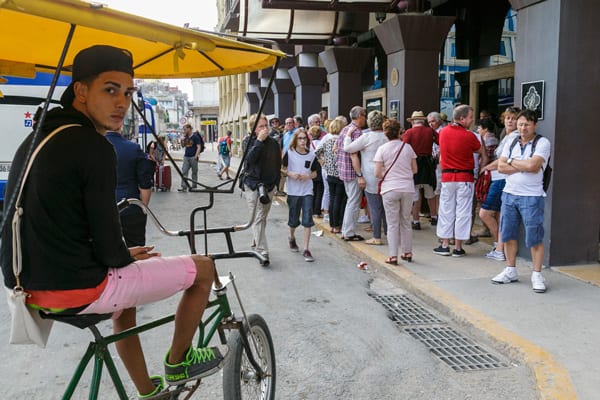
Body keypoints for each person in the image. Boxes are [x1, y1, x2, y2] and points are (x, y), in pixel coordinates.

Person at [0, 45, 220, 399]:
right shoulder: (93, 145)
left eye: (128, 92)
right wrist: (123, 255)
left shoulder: (39, 136)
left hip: (28, 288)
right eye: (110, 89)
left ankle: (148, 391)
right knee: (205, 268)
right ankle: (178, 362)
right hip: (78, 287)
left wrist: (121, 255)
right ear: (81, 91)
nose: (121, 102)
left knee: (127, 292)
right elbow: (107, 241)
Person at [492, 109, 551, 293]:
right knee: (508, 234)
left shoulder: (542, 143)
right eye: (520, 124)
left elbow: (534, 166)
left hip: (532, 197)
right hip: (509, 194)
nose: (523, 128)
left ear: (535, 125)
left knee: (534, 237)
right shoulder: (511, 141)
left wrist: (511, 162)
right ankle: (510, 270)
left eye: (526, 124)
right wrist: (518, 164)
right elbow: (501, 167)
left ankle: (536, 274)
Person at [433, 105, 487, 257]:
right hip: (465, 178)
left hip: (447, 177)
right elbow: (479, 150)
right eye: (470, 117)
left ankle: (444, 244)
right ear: (462, 118)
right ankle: (458, 247)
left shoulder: (442, 133)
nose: (472, 121)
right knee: (463, 212)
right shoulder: (470, 136)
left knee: (445, 210)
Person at [479, 107, 520, 261]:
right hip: (500, 178)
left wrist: (486, 167)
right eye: (508, 117)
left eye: (514, 118)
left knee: (485, 213)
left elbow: (503, 159)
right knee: (500, 215)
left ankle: (499, 246)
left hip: (502, 178)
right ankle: (500, 248)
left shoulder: (514, 137)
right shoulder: (507, 136)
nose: (510, 121)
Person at [374, 119, 417, 264]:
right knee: (405, 221)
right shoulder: (408, 148)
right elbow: (415, 169)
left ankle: (393, 255)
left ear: (385, 133)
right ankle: (407, 252)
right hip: (407, 188)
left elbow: (377, 173)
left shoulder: (382, 149)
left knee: (392, 223)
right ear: (399, 132)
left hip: (390, 188)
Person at [343, 110, 389, 245]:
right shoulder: (388, 136)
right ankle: (388, 232)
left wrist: (348, 135)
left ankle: (377, 236)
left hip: (370, 175)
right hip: (387, 175)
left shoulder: (366, 137)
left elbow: (348, 148)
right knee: (386, 206)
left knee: (374, 207)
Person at [242, 113, 282, 261]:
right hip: (253, 185)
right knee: (258, 216)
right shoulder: (248, 141)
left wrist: (276, 184)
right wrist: (259, 141)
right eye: (261, 126)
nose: (265, 129)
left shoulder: (273, 143)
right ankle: (262, 250)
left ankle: (256, 238)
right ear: (253, 129)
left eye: (266, 125)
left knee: (262, 217)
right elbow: (249, 161)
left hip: (269, 186)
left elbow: (277, 163)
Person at [105, 129, 155, 247]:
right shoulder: (133, 148)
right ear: (121, 127)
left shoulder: (91, 147)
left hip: (101, 209)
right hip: (130, 206)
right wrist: (143, 206)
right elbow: (145, 182)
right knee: (136, 249)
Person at [282, 128, 319, 262]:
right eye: (300, 138)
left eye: (305, 139)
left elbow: (315, 172)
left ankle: (306, 249)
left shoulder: (311, 154)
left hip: (307, 190)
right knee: (293, 219)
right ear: (295, 140)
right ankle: (291, 237)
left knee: (307, 219)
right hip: (293, 191)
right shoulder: (290, 153)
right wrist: (290, 174)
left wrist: (308, 176)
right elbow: (282, 168)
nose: (303, 141)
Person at [403, 111, 439, 230]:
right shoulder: (430, 131)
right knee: (431, 193)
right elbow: (440, 142)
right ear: (423, 121)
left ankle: (416, 221)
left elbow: (403, 148)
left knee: (415, 195)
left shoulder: (409, 133)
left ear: (413, 121)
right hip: (428, 164)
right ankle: (434, 217)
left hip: (414, 164)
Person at [337, 106, 367, 241]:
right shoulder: (356, 132)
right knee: (353, 203)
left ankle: (346, 230)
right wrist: (360, 175)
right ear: (360, 116)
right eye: (364, 115)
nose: (365, 118)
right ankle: (348, 232)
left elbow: (336, 148)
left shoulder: (344, 129)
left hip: (344, 171)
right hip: (352, 172)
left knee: (351, 201)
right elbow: (354, 156)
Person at [315, 118, 346, 234]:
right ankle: (338, 225)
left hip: (329, 173)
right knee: (340, 200)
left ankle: (332, 225)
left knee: (333, 199)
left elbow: (316, 152)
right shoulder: (341, 141)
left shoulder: (327, 140)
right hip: (340, 173)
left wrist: (322, 162)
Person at [178, 124, 201, 191]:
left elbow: (199, 147)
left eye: (185, 129)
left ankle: (194, 186)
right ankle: (183, 186)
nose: (184, 131)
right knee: (184, 171)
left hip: (193, 156)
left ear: (189, 129)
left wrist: (196, 156)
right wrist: (181, 140)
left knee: (194, 172)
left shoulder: (195, 137)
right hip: (186, 156)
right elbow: (183, 146)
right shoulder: (186, 136)